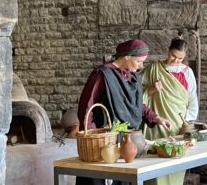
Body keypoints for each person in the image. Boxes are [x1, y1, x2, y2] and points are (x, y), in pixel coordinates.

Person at [76, 39, 171, 185]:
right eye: (139, 61)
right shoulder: (102, 75)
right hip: (105, 140)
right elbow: (86, 108)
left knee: (124, 179)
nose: (141, 66)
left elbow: (137, 105)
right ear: (127, 57)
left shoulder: (133, 77)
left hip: (127, 140)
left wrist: (157, 118)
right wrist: (93, 138)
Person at [140, 36, 198, 185]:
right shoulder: (153, 68)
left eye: (180, 58)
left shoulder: (187, 72)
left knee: (175, 163)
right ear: (168, 51)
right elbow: (134, 94)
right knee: (154, 164)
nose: (175, 60)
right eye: (173, 55)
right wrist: (151, 89)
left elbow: (192, 100)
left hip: (177, 126)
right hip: (156, 124)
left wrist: (187, 125)